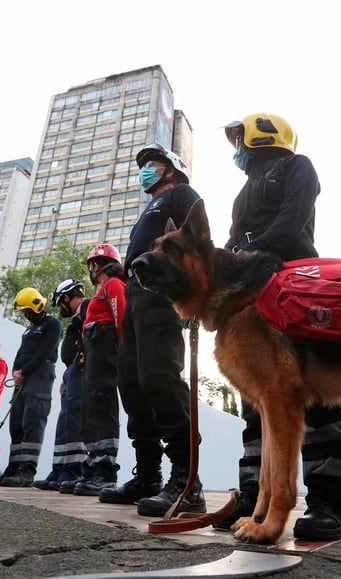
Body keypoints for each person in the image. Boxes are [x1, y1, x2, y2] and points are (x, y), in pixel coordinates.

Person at [214, 113, 341, 541]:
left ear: (261, 133)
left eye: (239, 139)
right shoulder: (243, 192)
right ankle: (253, 499)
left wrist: (252, 250)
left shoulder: (297, 166)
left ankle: (331, 501)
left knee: (314, 393)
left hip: (298, 284)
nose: (236, 148)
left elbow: (293, 219)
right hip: (250, 292)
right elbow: (233, 239)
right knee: (256, 400)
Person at [100, 144, 205, 517]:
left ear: (172, 170)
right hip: (134, 295)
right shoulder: (149, 209)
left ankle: (187, 481)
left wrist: (191, 294)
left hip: (162, 293)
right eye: (142, 165)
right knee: (133, 383)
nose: (144, 170)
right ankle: (148, 476)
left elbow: (196, 242)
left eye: (152, 164)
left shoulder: (181, 195)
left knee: (160, 377)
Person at [62, 244, 125, 496]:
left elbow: (121, 317)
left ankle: (106, 472)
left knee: (103, 406)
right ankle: (94, 462)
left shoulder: (112, 285)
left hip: (106, 352)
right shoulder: (102, 290)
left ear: (97, 265)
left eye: (91, 265)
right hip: (93, 356)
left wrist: (123, 351)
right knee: (92, 410)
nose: (90, 270)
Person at [0, 287, 62, 487]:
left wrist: (24, 372)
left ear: (36, 306)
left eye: (27, 311)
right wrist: (16, 371)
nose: (25, 315)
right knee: (17, 425)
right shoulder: (29, 329)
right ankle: (13, 470)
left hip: (40, 377)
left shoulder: (51, 324)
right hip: (23, 380)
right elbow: (21, 353)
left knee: (32, 423)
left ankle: (26, 472)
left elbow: (45, 352)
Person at [34, 279, 90, 491]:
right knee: (65, 423)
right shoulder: (77, 316)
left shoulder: (87, 308)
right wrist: (68, 377)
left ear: (66, 296)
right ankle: (59, 471)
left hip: (83, 370)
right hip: (73, 372)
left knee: (76, 422)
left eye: (60, 302)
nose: (60, 308)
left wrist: (81, 372)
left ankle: (75, 471)